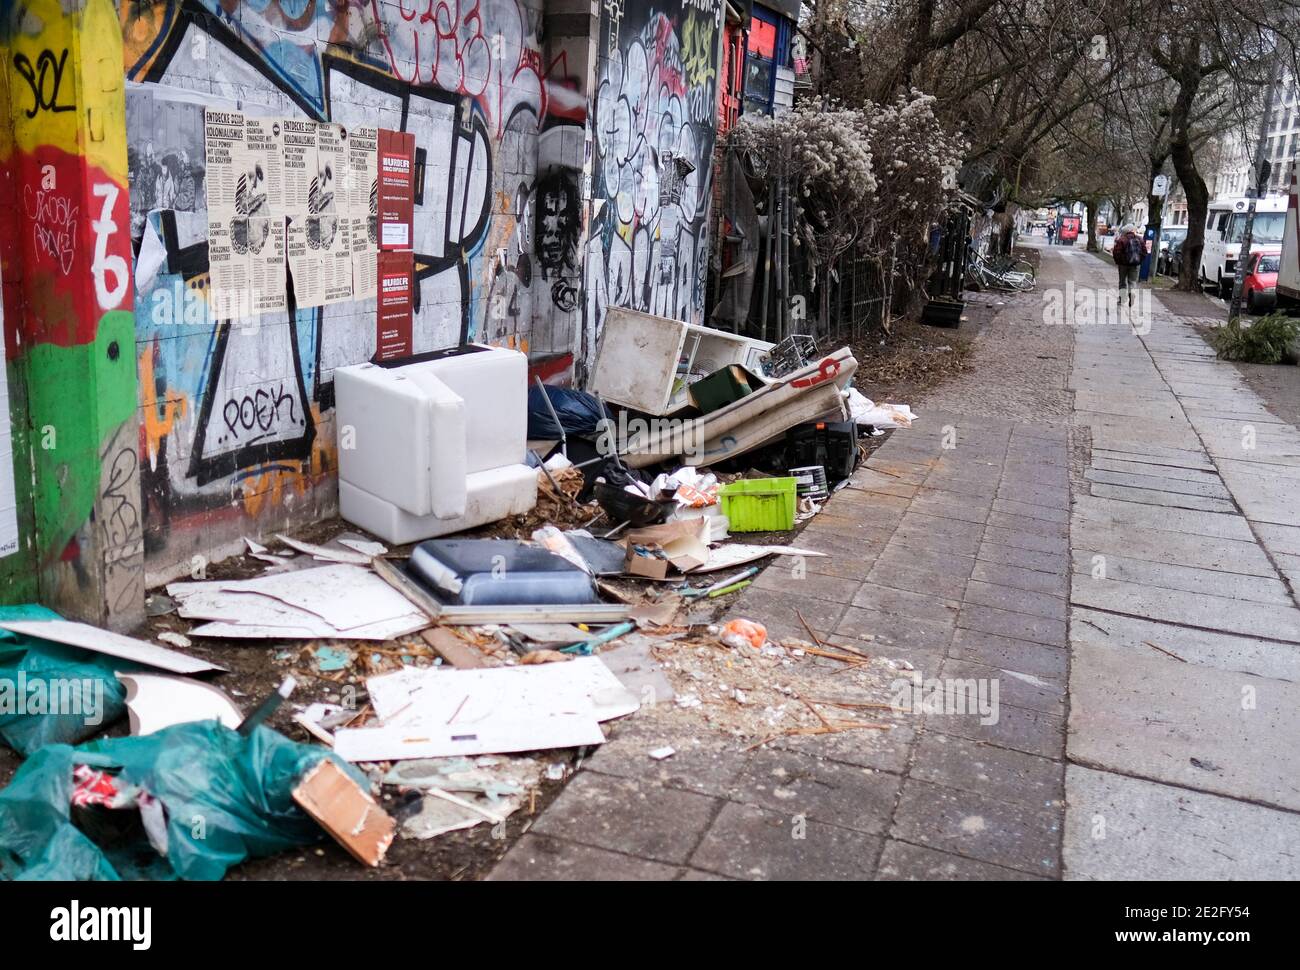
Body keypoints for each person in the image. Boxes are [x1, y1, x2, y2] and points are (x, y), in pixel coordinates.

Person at [1113, 223, 1146, 305]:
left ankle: (1122, 299)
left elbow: (1116, 252)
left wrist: (1118, 262)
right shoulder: (1140, 239)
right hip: (1135, 265)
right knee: (1132, 281)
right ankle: (1132, 294)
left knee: (1122, 282)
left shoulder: (1122, 240)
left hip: (1123, 265)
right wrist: (1139, 261)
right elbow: (1144, 252)